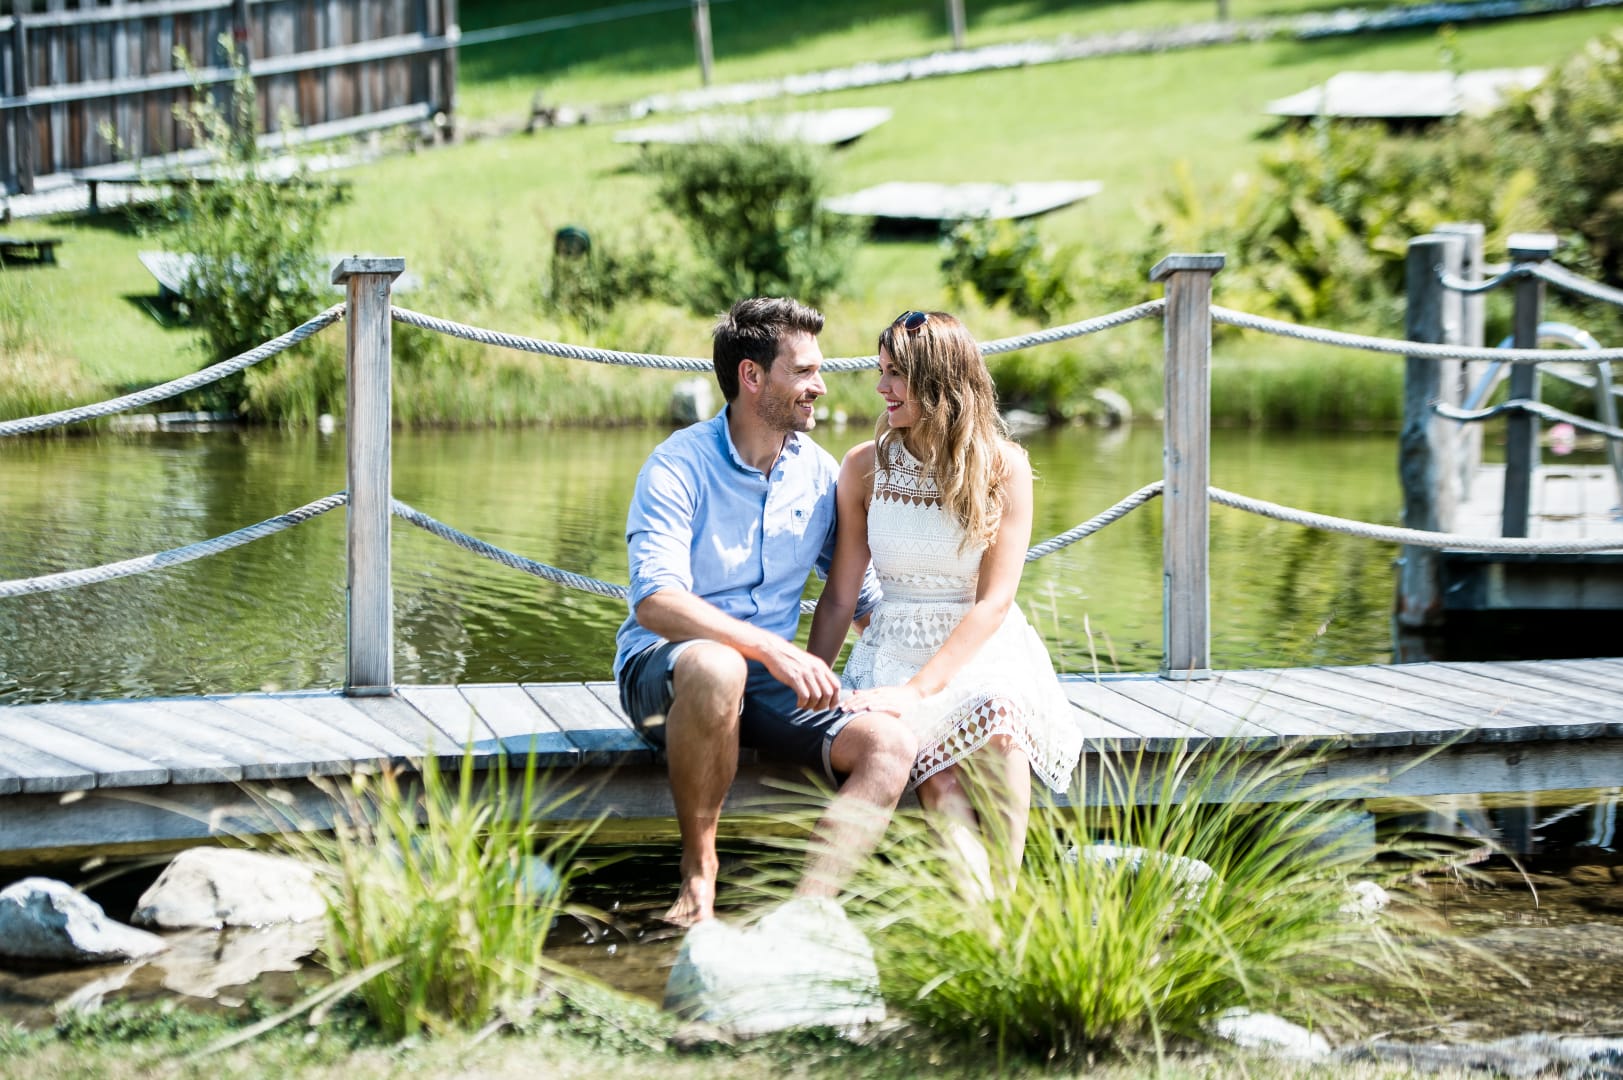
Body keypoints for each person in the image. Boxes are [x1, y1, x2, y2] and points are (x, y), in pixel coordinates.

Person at [615, 297, 916, 927]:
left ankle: (803, 917)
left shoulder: (819, 473)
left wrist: (926, 681)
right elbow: (655, 601)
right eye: (803, 371)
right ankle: (700, 876)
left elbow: (860, 598)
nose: (820, 386)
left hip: (770, 688)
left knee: (890, 746)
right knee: (718, 665)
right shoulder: (678, 465)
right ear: (752, 376)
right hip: (667, 676)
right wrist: (772, 648)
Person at [807, 310, 1083, 892]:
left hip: (983, 646)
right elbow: (839, 597)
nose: (881, 387)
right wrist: (810, 683)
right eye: (881, 371)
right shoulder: (864, 467)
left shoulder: (1004, 467)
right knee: (938, 776)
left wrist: (919, 691)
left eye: (896, 374)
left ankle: (1005, 896)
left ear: (941, 381)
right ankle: (987, 919)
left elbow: (995, 602)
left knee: (1001, 723)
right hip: (894, 648)